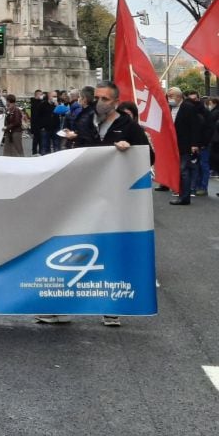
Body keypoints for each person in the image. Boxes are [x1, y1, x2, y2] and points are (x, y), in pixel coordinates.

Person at [40, 80, 152, 328]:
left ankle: (112, 307)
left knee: (108, 250)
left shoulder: (128, 126)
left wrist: (129, 149)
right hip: (82, 196)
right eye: (97, 98)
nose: (98, 102)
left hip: (114, 198)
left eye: (104, 99)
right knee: (72, 248)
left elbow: (147, 157)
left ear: (114, 101)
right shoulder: (84, 119)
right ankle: (62, 308)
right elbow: (78, 150)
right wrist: (72, 141)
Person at [166, 86, 205, 205]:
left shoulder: (188, 108)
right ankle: (182, 194)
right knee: (180, 171)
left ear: (179, 96)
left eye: (171, 96)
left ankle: (184, 197)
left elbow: (195, 127)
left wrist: (194, 144)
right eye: (168, 96)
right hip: (174, 145)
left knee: (184, 171)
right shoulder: (170, 108)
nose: (169, 99)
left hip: (185, 145)